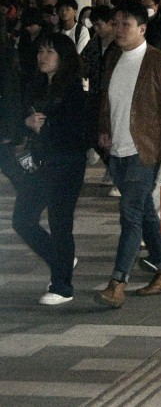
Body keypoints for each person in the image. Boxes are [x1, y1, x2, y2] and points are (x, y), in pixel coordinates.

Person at [95, 0, 161, 309]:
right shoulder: (114, 59)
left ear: (142, 29)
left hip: (144, 150)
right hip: (118, 149)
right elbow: (109, 101)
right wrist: (105, 128)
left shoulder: (160, 62)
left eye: (126, 24)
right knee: (145, 211)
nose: (119, 29)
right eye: (116, 23)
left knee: (130, 214)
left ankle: (117, 283)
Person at [12, 33, 89, 305]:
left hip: (66, 163)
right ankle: (61, 261)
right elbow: (24, 120)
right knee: (22, 218)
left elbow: (78, 129)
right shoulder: (38, 84)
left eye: (49, 52)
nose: (41, 57)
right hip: (41, 162)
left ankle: (62, 285)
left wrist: (46, 126)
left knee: (59, 222)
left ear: (63, 57)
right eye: (40, 51)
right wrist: (28, 124)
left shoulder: (73, 89)